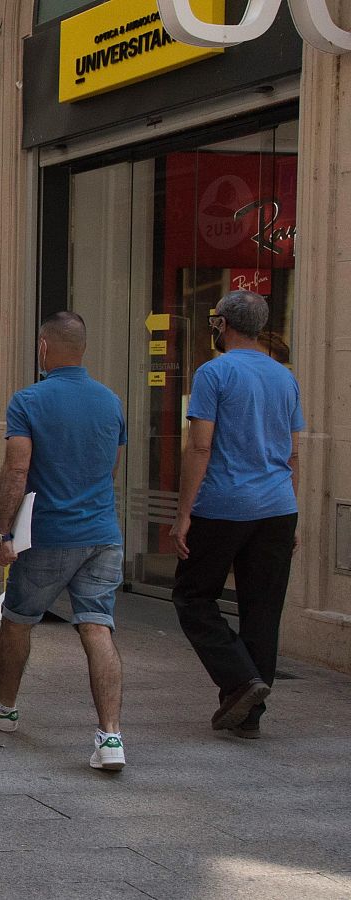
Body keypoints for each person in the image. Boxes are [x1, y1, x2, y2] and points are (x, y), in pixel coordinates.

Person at [0, 312, 129, 771]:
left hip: (50, 534)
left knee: (17, 619)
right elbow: (110, 469)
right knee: (97, 626)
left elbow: (16, 469)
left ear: (43, 347)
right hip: (103, 534)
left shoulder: (29, 401)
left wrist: (2, 534)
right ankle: (110, 737)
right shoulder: (111, 402)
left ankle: (5, 707)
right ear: (83, 349)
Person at [171, 290, 304, 738]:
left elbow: (200, 445)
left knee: (192, 597)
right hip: (277, 507)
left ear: (222, 324)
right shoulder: (285, 378)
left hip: (225, 504)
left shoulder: (214, 372)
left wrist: (183, 513)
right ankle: (249, 717)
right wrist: (293, 512)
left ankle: (239, 680)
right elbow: (294, 454)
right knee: (263, 608)